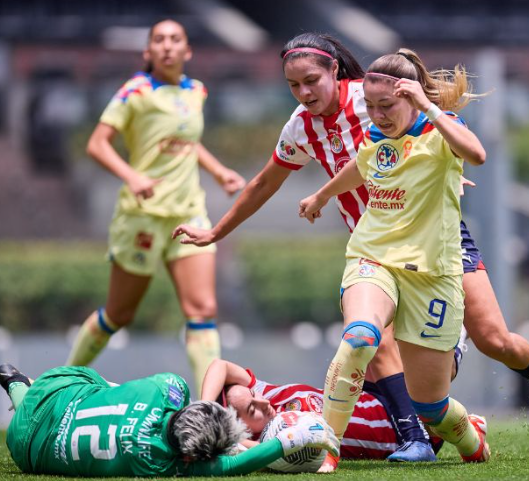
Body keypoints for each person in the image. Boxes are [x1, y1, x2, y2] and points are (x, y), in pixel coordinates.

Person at [172, 32, 529, 446]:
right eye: (293, 86)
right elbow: (264, 183)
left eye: (311, 80)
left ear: (334, 69)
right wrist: (215, 231)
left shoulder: (371, 97)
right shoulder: (301, 127)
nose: (303, 92)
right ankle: (413, 439)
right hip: (376, 253)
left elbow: (434, 133)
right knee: (369, 338)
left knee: (495, 340)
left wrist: (447, 169)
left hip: (437, 243)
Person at [297, 48, 495, 472]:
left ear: (412, 98)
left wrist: (430, 109)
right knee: (361, 338)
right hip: (373, 258)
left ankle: (470, 436)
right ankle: (326, 448)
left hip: (432, 276)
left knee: (431, 405)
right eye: (369, 106)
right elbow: (361, 166)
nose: (377, 115)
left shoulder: (441, 130)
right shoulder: (376, 136)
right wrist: (322, 194)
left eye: (386, 106)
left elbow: (477, 154)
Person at [65, 19, 246, 391]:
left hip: (188, 211)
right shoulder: (135, 91)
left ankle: (209, 406)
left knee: (203, 311)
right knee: (119, 314)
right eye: (159, 40)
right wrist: (132, 177)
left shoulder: (196, 90)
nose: (167, 46)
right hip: (142, 217)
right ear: (148, 52)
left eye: (174, 39)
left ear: (187, 50)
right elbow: (97, 144)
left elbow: (186, 141)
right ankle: (56, 383)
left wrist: (219, 171)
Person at [0, 363, 338, 477]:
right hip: (23, 449)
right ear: (190, 457)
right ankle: (16, 387)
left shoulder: (167, 387)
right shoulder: (161, 463)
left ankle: (18, 386)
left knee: (104, 387)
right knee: (104, 390)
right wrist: (289, 441)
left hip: (55, 390)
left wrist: (290, 439)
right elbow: (234, 466)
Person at [199, 359, 487, 460]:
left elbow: (220, 366)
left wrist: (207, 410)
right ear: (245, 430)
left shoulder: (265, 394)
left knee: (373, 333)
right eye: (253, 409)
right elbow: (246, 451)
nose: (263, 402)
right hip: (400, 432)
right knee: (435, 396)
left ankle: (453, 339)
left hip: (379, 395)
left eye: (253, 395)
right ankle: (468, 432)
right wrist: (229, 439)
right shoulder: (276, 443)